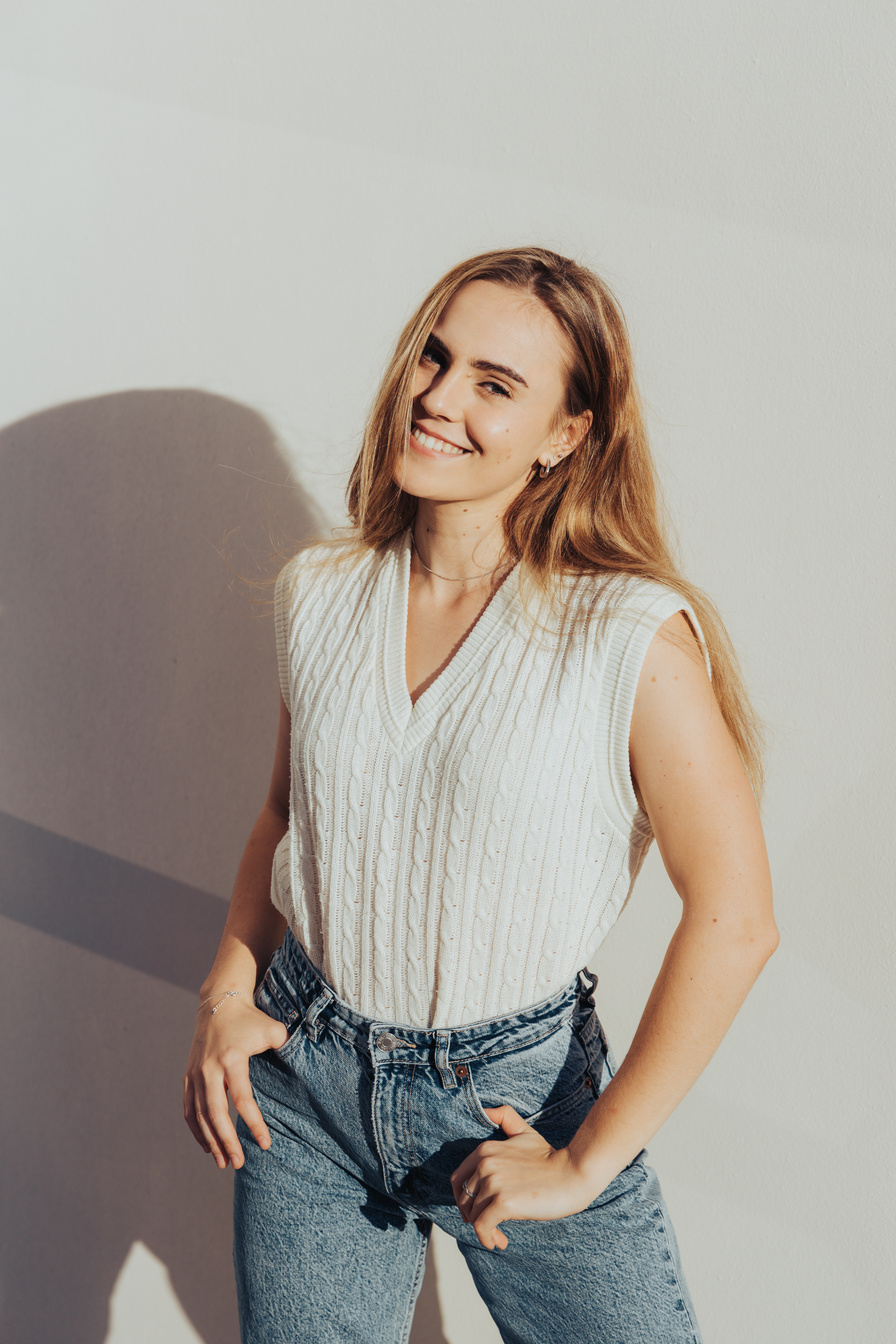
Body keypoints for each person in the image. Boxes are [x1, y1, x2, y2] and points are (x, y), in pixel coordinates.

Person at [183, 246, 777, 1343]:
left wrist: (584, 1158)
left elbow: (735, 920)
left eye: (493, 386)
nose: (438, 397)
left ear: (565, 434)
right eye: (434, 357)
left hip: (517, 1103)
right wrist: (226, 991)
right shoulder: (320, 595)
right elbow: (284, 817)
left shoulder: (628, 637)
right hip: (306, 1095)